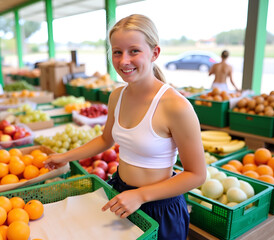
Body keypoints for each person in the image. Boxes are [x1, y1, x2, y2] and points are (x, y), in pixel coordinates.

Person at [44, 14, 206, 240]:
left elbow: (197, 175)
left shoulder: (176, 106)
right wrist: (65, 156)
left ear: (155, 53)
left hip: (159, 206)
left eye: (134, 51)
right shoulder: (117, 95)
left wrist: (140, 195)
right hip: (120, 192)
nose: (123, 61)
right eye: (117, 52)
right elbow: (105, 140)